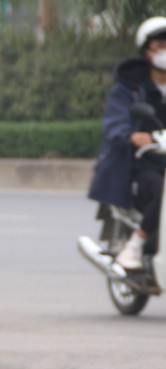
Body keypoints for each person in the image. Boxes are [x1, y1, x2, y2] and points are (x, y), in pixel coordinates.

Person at [88, 17, 166, 272]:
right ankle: (136, 242)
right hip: (143, 163)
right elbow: (115, 121)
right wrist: (132, 135)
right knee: (161, 192)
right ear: (146, 49)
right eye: (160, 44)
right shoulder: (130, 87)